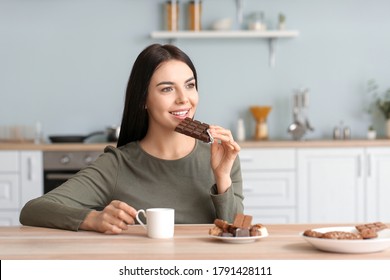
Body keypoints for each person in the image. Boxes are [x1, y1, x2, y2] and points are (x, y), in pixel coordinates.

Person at [20, 43, 243, 234]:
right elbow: (33, 210)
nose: (184, 99)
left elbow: (238, 231)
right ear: (143, 99)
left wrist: (222, 177)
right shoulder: (118, 164)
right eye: (167, 89)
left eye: (190, 85)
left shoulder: (221, 156)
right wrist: (93, 219)